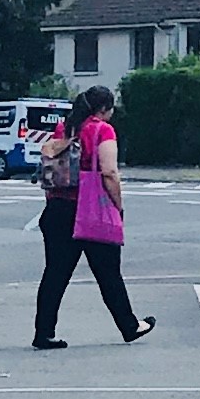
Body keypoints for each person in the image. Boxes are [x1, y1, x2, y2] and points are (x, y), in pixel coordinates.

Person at [35, 83, 147, 348]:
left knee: (55, 274)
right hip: (91, 210)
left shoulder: (66, 129)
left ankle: (43, 332)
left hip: (58, 208)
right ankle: (129, 326)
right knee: (108, 273)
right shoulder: (102, 129)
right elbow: (109, 172)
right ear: (104, 109)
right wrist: (117, 205)